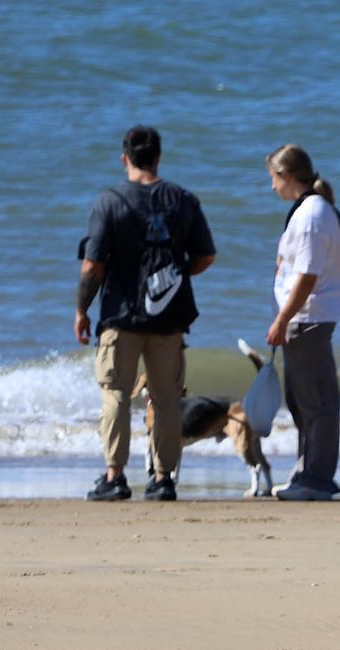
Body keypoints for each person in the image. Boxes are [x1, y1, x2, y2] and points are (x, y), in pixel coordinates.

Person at [76, 125, 216, 502]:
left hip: (121, 315)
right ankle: (163, 477)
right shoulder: (182, 200)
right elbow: (206, 256)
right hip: (169, 317)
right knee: (167, 398)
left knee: (117, 394)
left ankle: (115, 476)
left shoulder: (110, 202)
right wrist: (176, 274)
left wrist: (81, 310)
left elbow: (92, 267)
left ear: (125, 158)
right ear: (158, 157)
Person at [265, 144, 340, 501]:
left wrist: (282, 319)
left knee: (316, 402)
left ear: (287, 176)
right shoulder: (308, 211)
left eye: (274, 178)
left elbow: (309, 276)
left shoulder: (313, 214)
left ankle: (317, 478)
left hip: (309, 316)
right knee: (301, 401)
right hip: (304, 316)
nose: (272, 187)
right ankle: (306, 471)